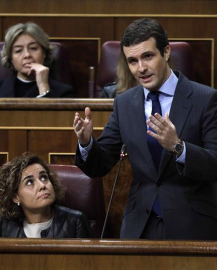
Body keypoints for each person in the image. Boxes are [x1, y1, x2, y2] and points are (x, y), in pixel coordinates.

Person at [73, 18, 217, 240]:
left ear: (166, 52)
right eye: (132, 61)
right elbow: (100, 165)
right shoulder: (125, 103)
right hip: (139, 226)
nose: (141, 68)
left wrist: (178, 147)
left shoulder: (205, 98)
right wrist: (86, 143)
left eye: (148, 56)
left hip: (192, 224)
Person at [0, 153, 92, 238]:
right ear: (15, 197)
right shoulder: (0, 223)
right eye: (30, 182)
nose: (42, 185)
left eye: (44, 177)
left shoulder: (75, 222)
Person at [0, 22, 74, 98]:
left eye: (33, 48)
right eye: (18, 50)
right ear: (10, 57)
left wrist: (43, 87)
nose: (27, 55)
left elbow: (52, 121)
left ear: (44, 53)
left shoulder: (64, 92)